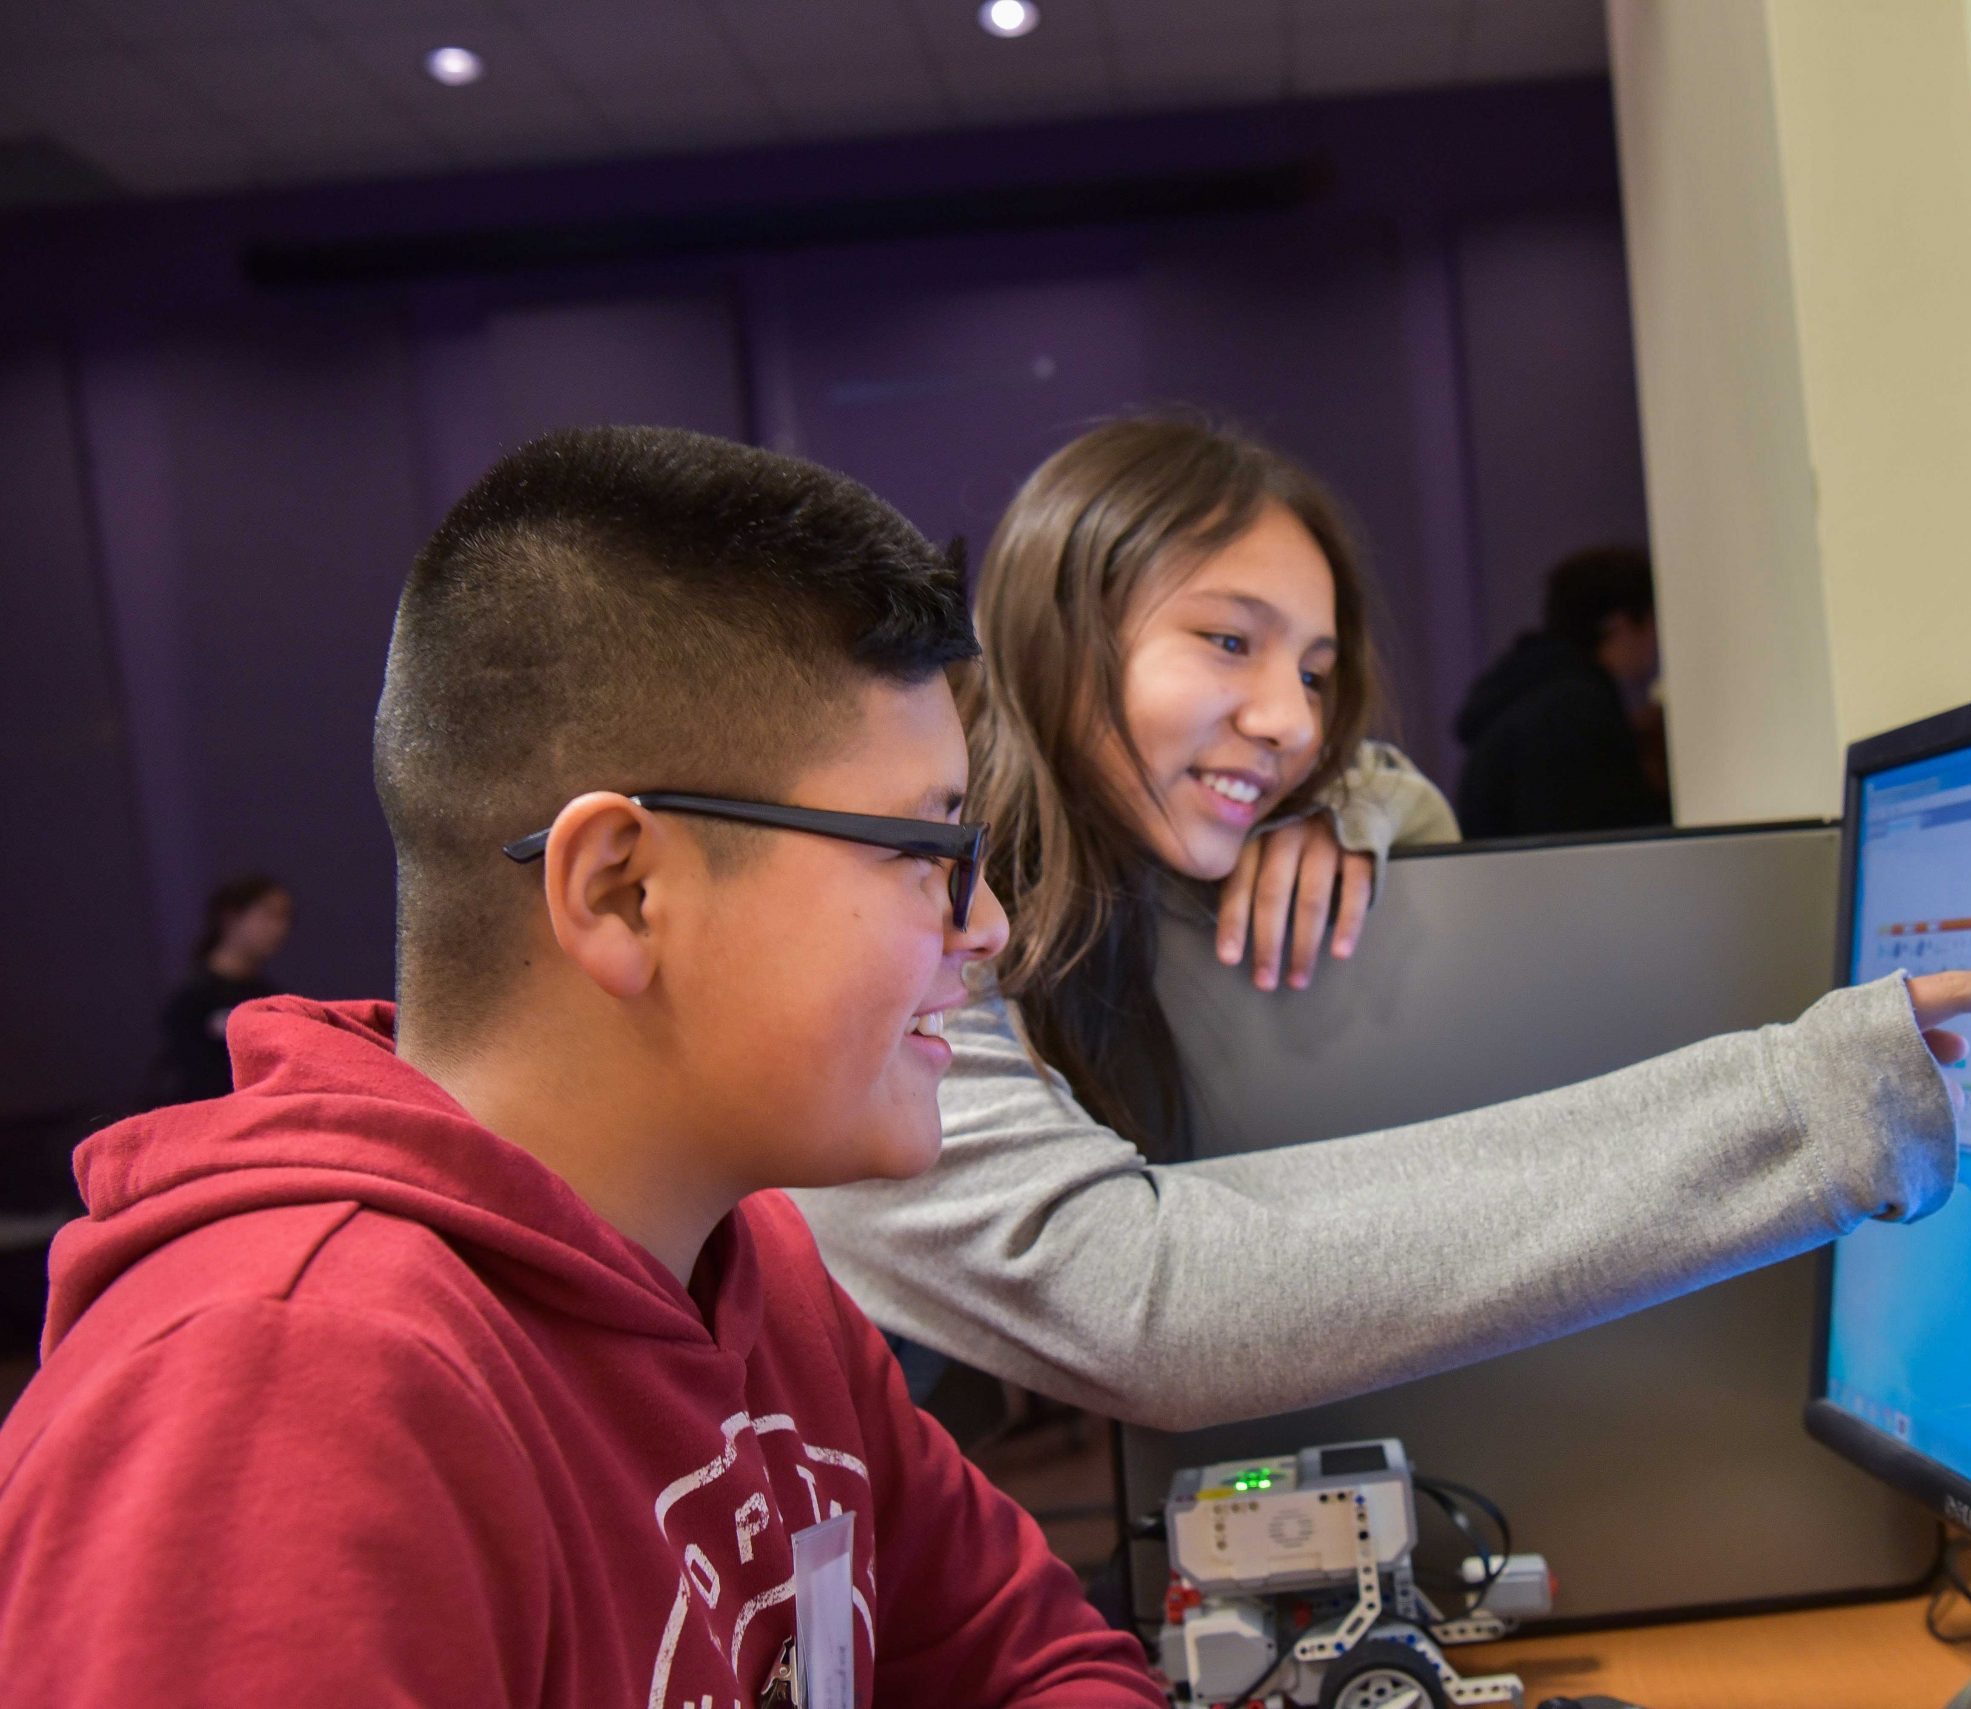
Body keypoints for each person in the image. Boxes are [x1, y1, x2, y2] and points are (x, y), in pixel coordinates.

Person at [0, 428, 1156, 1707]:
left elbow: (1041, 1663)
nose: (985, 922)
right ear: (622, 890)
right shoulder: (283, 1395)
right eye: (922, 849)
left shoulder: (750, 1263)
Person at [790, 417, 1971, 1433]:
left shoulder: (1096, 878)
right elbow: (1141, 1302)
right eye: (1228, 639)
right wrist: (1814, 1103)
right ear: (1055, 632)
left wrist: (1350, 802)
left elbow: (1402, 828)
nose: (1291, 719)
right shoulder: (892, 936)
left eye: (1314, 672)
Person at [1454, 544, 1673, 839]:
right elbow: (1601, 836)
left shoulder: (1525, 694)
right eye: (1652, 621)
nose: (1657, 640)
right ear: (1619, 624)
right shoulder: (1575, 713)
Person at [147, 872, 293, 1104]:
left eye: (284, 918)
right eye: (269, 915)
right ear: (231, 918)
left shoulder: (270, 999)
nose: (279, 928)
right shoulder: (192, 997)